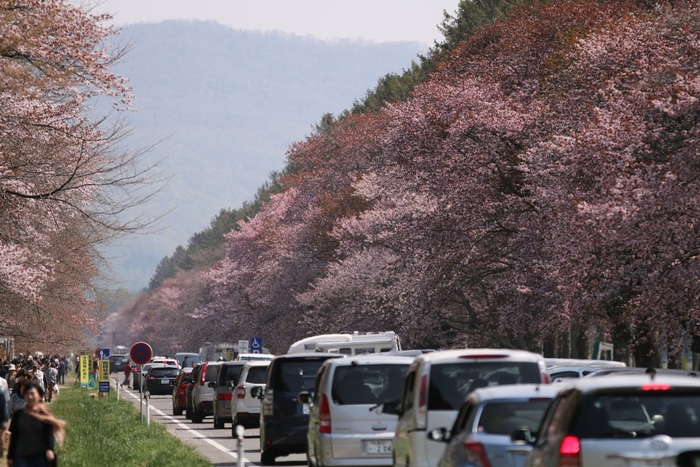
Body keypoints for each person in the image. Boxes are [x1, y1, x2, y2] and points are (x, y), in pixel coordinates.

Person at [7, 381, 66, 467]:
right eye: (27, 394)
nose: (30, 397)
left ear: (39, 396)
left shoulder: (45, 415)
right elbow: (14, 437)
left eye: (33, 394)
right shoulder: (18, 415)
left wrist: (50, 449)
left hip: (39, 456)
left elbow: (49, 435)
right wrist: (10, 456)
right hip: (20, 456)